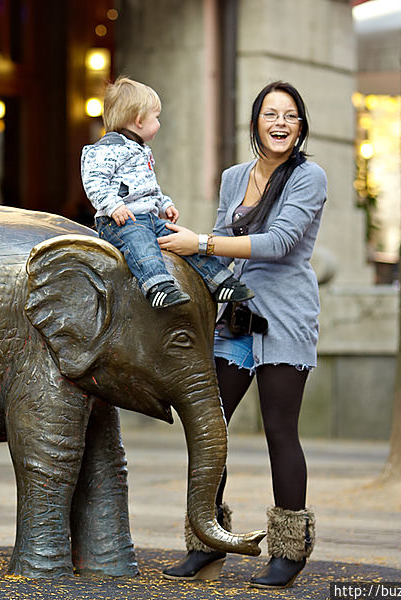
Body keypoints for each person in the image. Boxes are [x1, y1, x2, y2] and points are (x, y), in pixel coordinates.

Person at [157, 81, 326, 589]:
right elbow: (220, 245)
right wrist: (177, 232)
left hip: (286, 316)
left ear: (301, 125)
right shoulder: (235, 177)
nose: (280, 123)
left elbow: (279, 243)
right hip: (234, 318)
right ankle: (206, 544)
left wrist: (205, 241)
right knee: (212, 428)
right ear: (255, 121)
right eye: (271, 113)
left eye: (290, 115)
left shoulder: (309, 177)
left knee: (279, 429)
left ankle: (289, 553)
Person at [81, 77, 253, 309]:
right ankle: (157, 286)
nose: (159, 123)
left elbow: (148, 188)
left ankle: (220, 281)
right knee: (143, 246)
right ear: (140, 120)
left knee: (182, 241)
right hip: (119, 222)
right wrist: (113, 206)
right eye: (156, 117)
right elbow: (94, 181)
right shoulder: (108, 148)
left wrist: (164, 204)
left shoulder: (140, 150)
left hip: (147, 218)